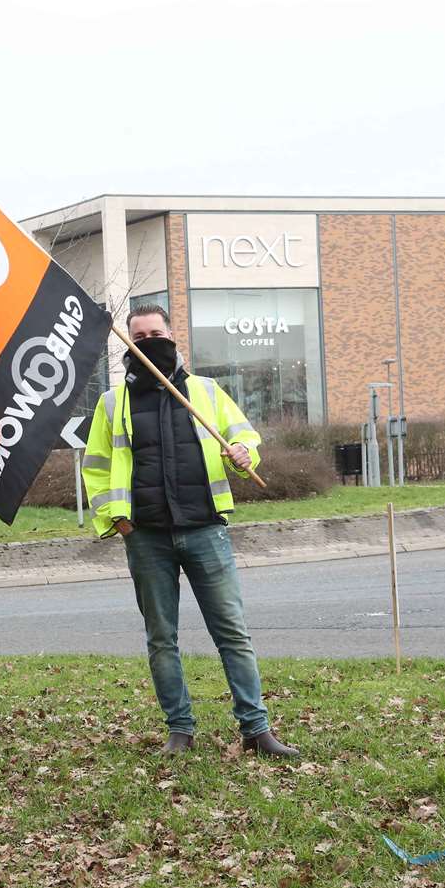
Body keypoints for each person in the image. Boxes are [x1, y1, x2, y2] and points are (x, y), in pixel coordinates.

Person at [82, 303, 299, 758]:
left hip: (205, 530)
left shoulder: (205, 391)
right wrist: (117, 521)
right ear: (127, 342)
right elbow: (96, 469)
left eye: (155, 333)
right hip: (145, 537)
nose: (147, 343)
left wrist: (243, 454)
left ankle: (256, 729)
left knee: (233, 634)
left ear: (173, 336)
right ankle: (179, 730)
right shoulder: (111, 403)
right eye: (138, 337)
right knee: (162, 640)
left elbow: (246, 440)